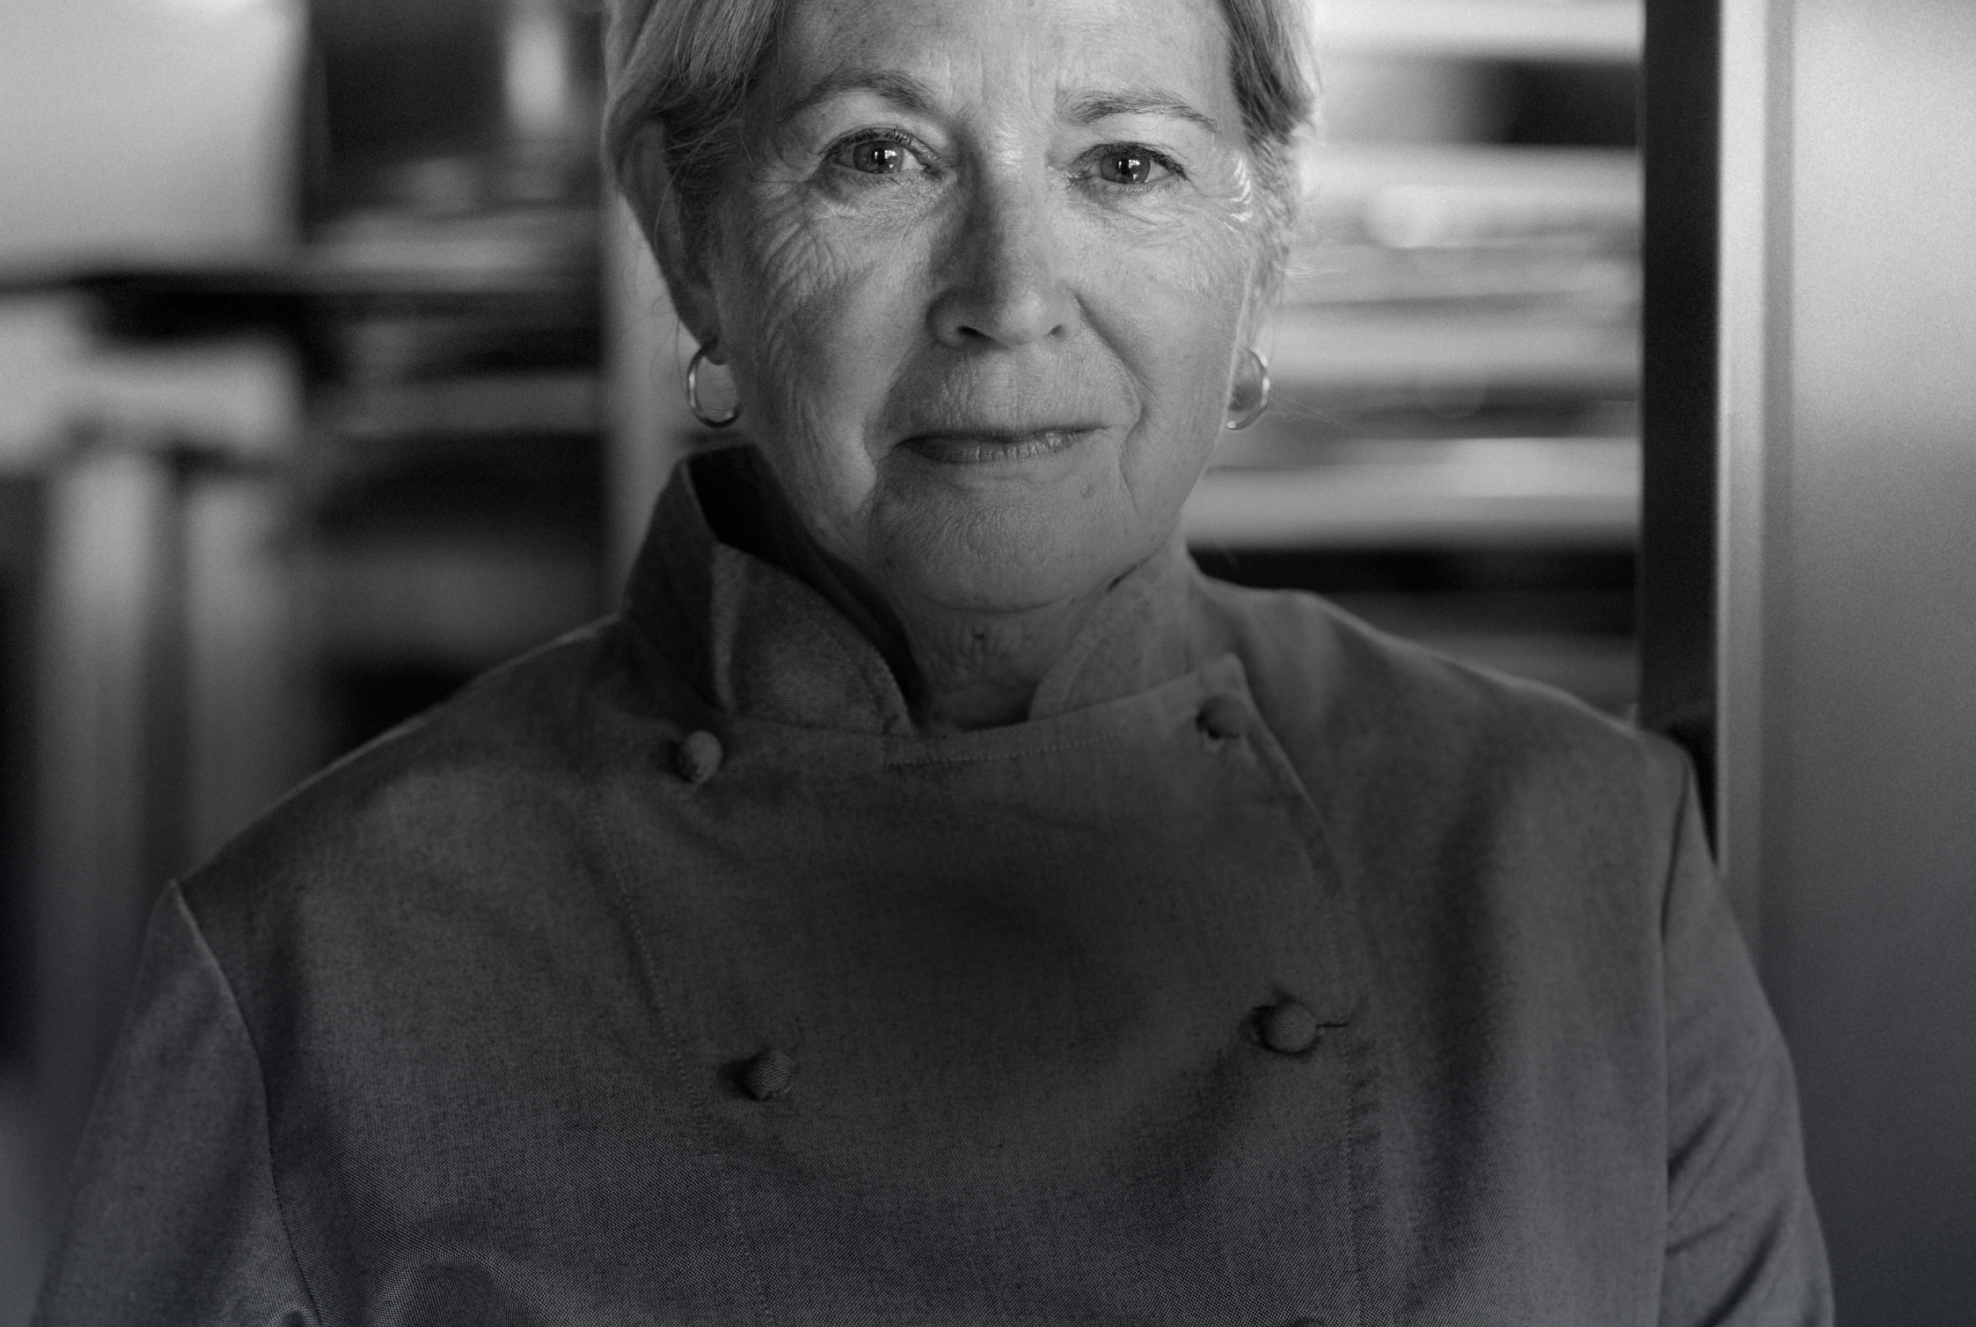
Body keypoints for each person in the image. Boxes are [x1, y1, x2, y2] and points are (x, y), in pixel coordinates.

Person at [35, 0, 1832, 1321]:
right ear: (693, 245)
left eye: (1126, 161)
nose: (1013, 293)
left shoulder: (1579, 866)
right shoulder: (321, 954)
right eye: (880, 155)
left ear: (1262, 253)